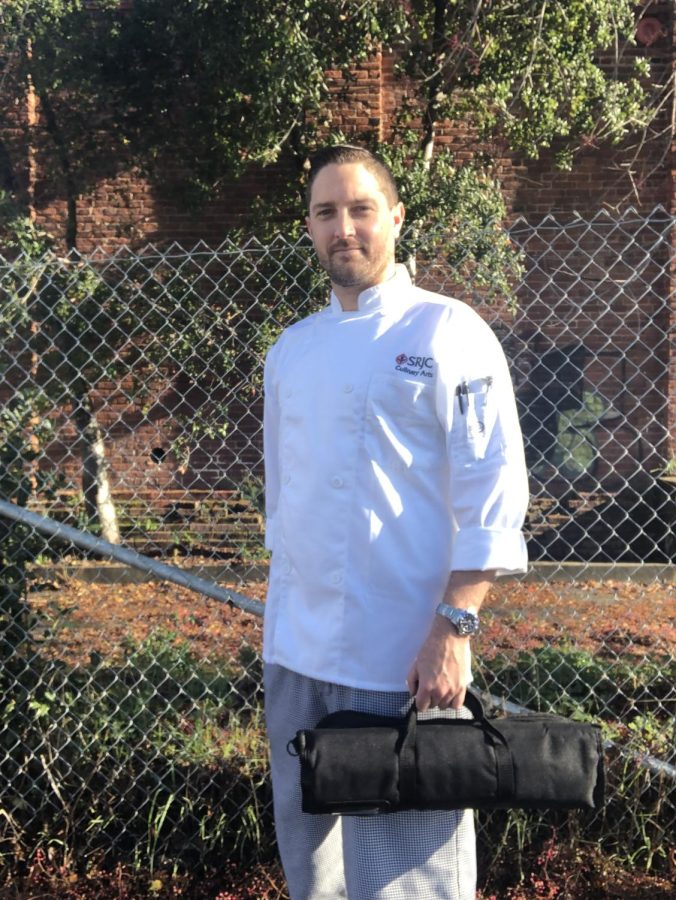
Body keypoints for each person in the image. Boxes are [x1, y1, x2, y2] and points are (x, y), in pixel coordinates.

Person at [262, 144, 529, 900]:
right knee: (312, 875)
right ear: (309, 228)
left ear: (396, 219)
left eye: (360, 209)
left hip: (405, 661)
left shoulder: (450, 333)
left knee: (410, 883)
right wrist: (277, 638)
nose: (343, 228)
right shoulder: (291, 350)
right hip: (296, 656)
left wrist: (453, 630)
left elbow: (494, 494)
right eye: (325, 213)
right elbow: (284, 506)